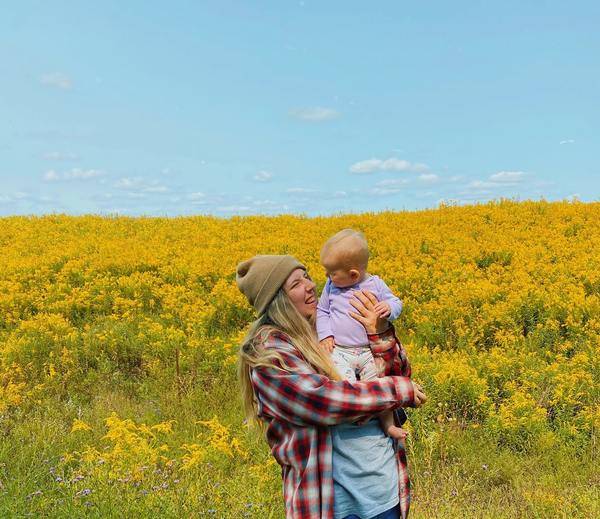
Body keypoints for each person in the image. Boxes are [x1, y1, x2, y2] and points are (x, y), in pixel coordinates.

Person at [236, 255, 426, 519]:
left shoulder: (331, 326)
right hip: (330, 505)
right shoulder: (269, 351)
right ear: (277, 300)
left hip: (382, 491)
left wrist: (379, 331)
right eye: (295, 284)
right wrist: (395, 390)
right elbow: (321, 400)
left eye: (307, 276)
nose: (310, 285)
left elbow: (400, 374)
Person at [317, 229, 407, 441]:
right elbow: (322, 311)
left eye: (331, 272)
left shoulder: (375, 284)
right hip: (341, 350)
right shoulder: (331, 286)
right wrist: (325, 335)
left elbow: (396, 302)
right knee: (344, 384)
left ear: (353, 275)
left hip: (369, 351)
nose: (326, 277)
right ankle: (355, 413)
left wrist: (388, 307)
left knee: (378, 385)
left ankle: (388, 425)